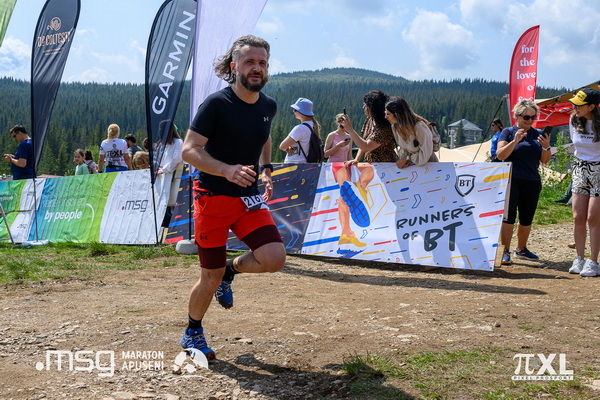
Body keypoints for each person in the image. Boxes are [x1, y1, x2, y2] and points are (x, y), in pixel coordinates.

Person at [179, 35, 286, 360]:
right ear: (233, 66)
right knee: (209, 278)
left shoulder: (268, 105)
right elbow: (189, 150)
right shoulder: (216, 104)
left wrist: (266, 169)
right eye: (250, 61)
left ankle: (231, 271)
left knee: (274, 258)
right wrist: (226, 169)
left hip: (248, 199)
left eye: (262, 62)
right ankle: (192, 330)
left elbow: (264, 137)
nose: (257, 68)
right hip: (212, 199)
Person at [496, 99, 551, 265]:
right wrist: (515, 141)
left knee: (527, 217)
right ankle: (505, 251)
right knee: (508, 217)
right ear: (517, 116)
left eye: (533, 117)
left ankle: (521, 249)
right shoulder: (507, 132)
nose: (529, 120)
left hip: (531, 180)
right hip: (511, 180)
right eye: (526, 117)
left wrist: (546, 147)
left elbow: (545, 160)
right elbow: (500, 155)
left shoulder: (538, 134)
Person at [566, 88, 600, 277]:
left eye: (579, 105)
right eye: (574, 104)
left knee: (593, 217)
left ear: (592, 107)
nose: (575, 107)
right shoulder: (573, 119)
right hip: (580, 168)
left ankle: (593, 261)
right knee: (578, 216)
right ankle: (579, 258)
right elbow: (576, 143)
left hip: (599, 170)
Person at [339, 90, 396, 163]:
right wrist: (356, 160)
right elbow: (363, 142)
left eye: (365, 105)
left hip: (385, 165)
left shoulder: (384, 127)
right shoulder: (370, 119)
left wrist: (350, 130)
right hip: (371, 164)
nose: (363, 107)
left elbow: (366, 147)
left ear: (373, 108)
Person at [384, 96, 438, 168]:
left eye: (388, 114)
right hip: (411, 167)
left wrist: (407, 159)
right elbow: (405, 149)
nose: (385, 117)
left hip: (429, 167)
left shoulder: (419, 128)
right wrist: (405, 160)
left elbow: (426, 154)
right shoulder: (395, 126)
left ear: (397, 114)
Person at [278, 98, 320, 163]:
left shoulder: (300, 128)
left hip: (295, 164)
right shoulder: (313, 126)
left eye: (295, 110)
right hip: (307, 163)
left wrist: (287, 148)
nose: (293, 111)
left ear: (301, 112)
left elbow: (282, 146)